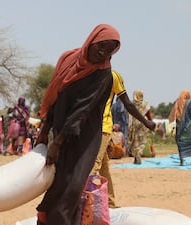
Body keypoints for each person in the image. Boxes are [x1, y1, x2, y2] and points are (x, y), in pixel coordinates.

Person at [35, 24, 121, 225]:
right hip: (61, 132)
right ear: (91, 40)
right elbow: (55, 96)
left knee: (72, 188)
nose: (103, 53)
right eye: (101, 46)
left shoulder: (103, 75)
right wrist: (45, 131)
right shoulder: (68, 60)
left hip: (85, 140)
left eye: (110, 51)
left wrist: (57, 142)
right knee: (57, 183)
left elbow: (81, 111)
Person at [90, 70, 156, 208]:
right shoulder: (89, 74)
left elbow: (128, 104)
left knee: (93, 167)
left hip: (103, 127)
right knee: (103, 167)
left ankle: (85, 205)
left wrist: (146, 122)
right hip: (93, 127)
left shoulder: (113, 76)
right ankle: (110, 203)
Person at [127, 90, 154, 164]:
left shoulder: (131, 104)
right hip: (143, 123)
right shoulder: (145, 104)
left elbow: (128, 113)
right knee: (142, 141)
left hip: (133, 123)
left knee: (134, 141)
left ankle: (136, 156)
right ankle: (138, 154)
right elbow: (148, 115)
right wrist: (151, 123)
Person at [168, 89, 191, 166]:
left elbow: (172, 116)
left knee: (180, 143)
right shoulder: (190, 103)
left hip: (180, 128)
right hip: (190, 128)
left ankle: (181, 161)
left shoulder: (177, 103)